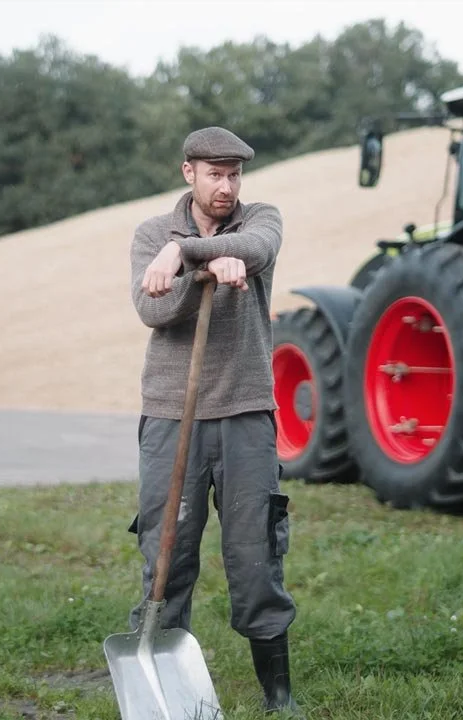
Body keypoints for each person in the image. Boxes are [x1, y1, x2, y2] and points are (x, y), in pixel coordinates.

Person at [127, 125, 302, 715]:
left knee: (256, 555)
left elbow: (259, 250)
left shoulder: (260, 219)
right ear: (189, 173)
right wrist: (198, 268)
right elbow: (151, 308)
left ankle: (278, 695)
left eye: (234, 175)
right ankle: (160, 684)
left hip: (246, 411)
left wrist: (186, 254)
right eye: (214, 175)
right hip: (171, 414)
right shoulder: (153, 233)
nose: (226, 187)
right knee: (167, 554)